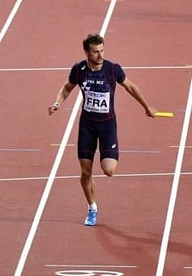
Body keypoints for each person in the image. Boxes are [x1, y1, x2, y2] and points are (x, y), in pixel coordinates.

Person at [48, 33, 158, 226]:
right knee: (85, 172)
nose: (100, 55)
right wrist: (58, 102)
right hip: (87, 126)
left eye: (102, 50)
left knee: (109, 170)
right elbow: (67, 87)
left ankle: (106, 158)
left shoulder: (112, 69)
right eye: (95, 52)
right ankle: (92, 208)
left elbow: (130, 87)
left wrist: (146, 106)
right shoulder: (79, 70)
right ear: (86, 52)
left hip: (107, 126)